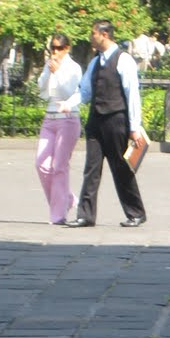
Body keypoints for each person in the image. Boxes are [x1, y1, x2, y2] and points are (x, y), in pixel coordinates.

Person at [68, 20, 147, 229]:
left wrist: (134, 127)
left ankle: (136, 212)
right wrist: (68, 104)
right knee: (91, 168)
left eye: (93, 33)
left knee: (120, 167)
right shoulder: (95, 62)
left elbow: (132, 95)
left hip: (116, 120)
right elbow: (85, 91)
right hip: (96, 120)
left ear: (104, 34)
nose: (90, 37)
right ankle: (86, 215)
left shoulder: (123, 60)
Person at [35, 32, 82, 225]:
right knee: (42, 165)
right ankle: (67, 199)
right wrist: (48, 72)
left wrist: (59, 72)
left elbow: (70, 92)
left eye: (59, 48)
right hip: (50, 117)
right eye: (53, 48)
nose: (55, 52)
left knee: (59, 166)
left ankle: (58, 214)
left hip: (68, 118)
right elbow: (43, 92)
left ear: (67, 48)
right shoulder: (50, 65)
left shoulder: (73, 68)